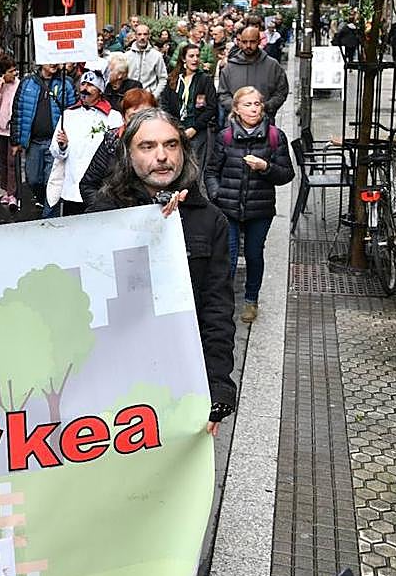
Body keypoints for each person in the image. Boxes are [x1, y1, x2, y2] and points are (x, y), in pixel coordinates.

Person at [86, 109, 236, 435]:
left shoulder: (210, 221)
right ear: (128, 153)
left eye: (171, 145)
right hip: (116, 380)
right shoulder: (104, 213)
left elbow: (217, 310)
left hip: (180, 377)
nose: (162, 156)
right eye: (148, 146)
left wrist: (218, 386)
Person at [205, 86, 294, 324]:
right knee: (229, 256)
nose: (254, 108)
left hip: (259, 209)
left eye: (257, 104)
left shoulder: (275, 136)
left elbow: (287, 174)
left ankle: (251, 299)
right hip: (229, 207)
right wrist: (217, 195)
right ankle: (224, 302)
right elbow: (211, 171)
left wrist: (265, 168)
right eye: (248, 104)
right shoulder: (225, 136)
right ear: (236, 109)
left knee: (254, 255)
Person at [48, 70, 123, 215]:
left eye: (90, 85)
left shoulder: (113, 117)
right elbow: (55, 152)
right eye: (83, 84)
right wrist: (62, 146)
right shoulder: (68, 115)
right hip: (72, 189)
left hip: (99, 190)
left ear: (100, 90)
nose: (85, 89)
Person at [10, 60, 76, 217]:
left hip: (54, 143)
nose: (53, 64)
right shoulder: (27, 83)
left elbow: (73, 112)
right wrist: (15, 141)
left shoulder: (66, 83)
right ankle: (42, 200)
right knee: (33, 179)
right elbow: (18, 111)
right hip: (34, 142)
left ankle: (48, 217)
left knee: (51, 182)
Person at [78, 88, 158, 205]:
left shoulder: (166, 143)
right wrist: (106, 210)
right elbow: (88, 185)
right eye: (134, 116)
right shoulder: (112, 141)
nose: (140, 122)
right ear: (123, 118)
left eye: (147, 116)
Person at [160, 43, 217, 168]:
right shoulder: (173, 78)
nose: (195, 59)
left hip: (197, 130)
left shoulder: (205, 80)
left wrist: (195, 128)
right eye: (191, 56)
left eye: (197, 56)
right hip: (176, 129)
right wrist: (173, 125)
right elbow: (165, 103)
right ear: (183, 58)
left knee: (195, 167)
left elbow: (212, 107)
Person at [217, 23, 289, 118]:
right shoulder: (230, 67)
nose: (248, 46)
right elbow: (223, 93)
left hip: (264, 121)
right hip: (236, 122)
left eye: (252, 42)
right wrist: (237, 109)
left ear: (259, 41)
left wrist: (266, 106)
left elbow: (281, 92)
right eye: (244, 42)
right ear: (240, 42)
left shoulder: (273, 65)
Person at [0, 56, 21, 210]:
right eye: (10, 71)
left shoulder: (19, 85)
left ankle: (13, 192)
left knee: (12, 161)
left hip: (13, 130)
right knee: (2, 162)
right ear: (3, 73)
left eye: (14, 70)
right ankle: (5, 190)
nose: (14, 74)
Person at [126, 24, 168, 96]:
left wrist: (154, 96)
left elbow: (163, 78)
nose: (142, 37)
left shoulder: (157, 56)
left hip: (149, 97)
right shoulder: (126, 56)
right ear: (135, 36)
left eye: (145, 34)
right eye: (139, 34)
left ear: (149, 36)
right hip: (131, 97)